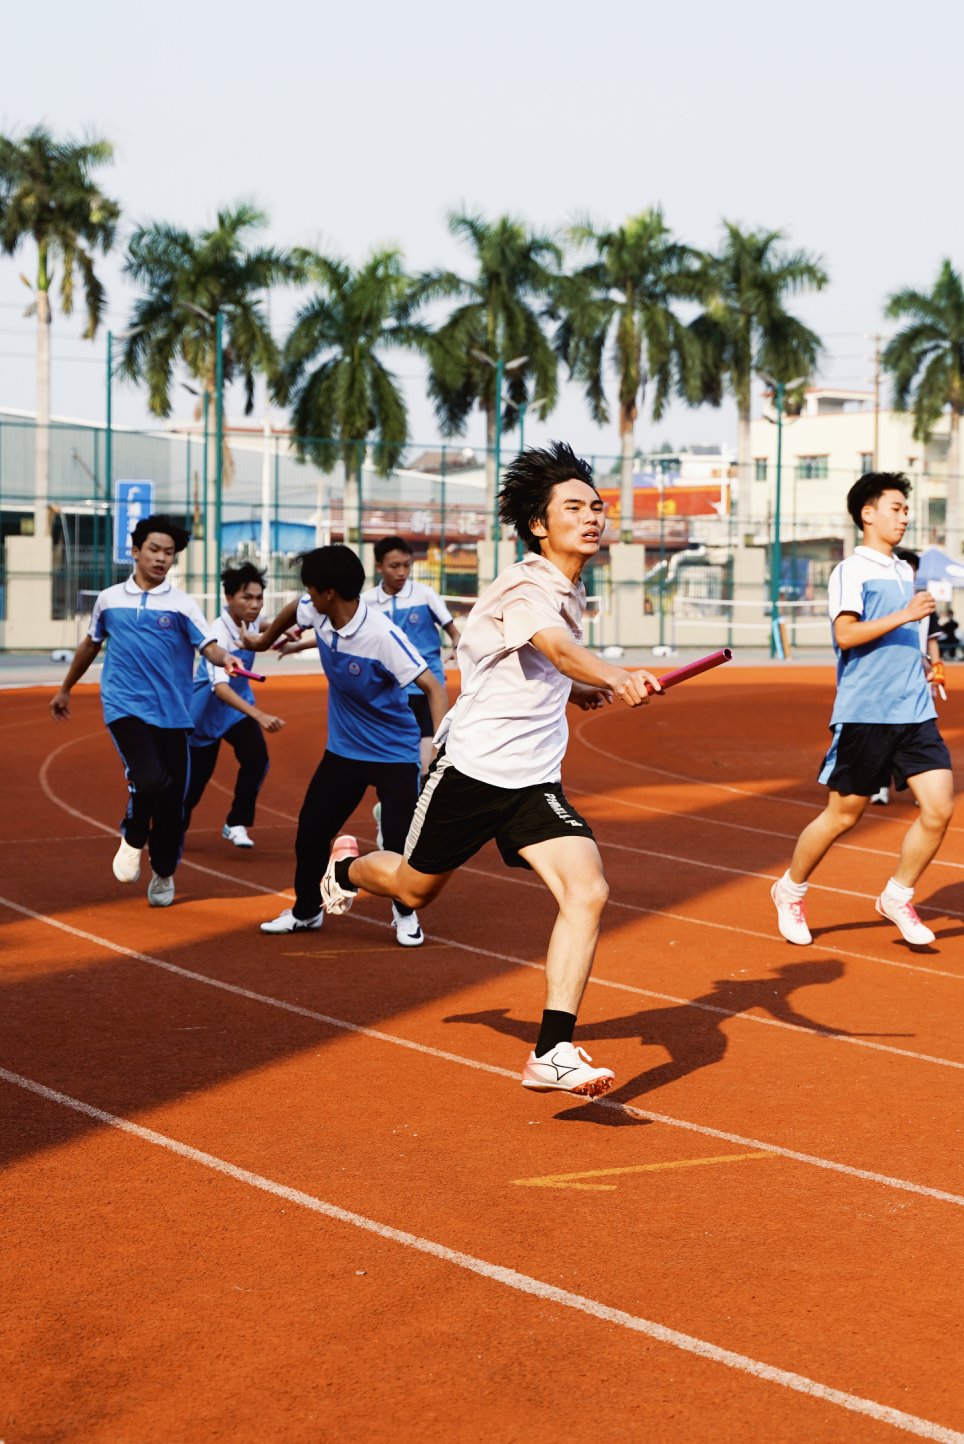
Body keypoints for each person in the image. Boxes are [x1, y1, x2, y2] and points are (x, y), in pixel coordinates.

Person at [307, 442, 660, 1099]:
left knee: (588, 891)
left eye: (597, 506)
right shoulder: (528, 585)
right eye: (574, 507)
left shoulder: (567, 587)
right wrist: (610, 673)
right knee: (414, 890)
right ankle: (346, 867)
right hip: (471, 774)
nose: (593, 516)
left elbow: (538, 663)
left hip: (532, 782)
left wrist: (578, 689)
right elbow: (553, 646)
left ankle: (552, 1050)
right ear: (538, 524)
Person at [770, 472, 951, 952]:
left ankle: (898, 895)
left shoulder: (904, 571)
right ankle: (790, 890)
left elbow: (912, 631)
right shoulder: (851, 570)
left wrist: (932, 659)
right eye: (896, 508)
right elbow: (846, 635)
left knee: (939, 809)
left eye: (906, 509)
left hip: (915, 709)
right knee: (842, 816)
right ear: (867, 514)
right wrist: (905, 615)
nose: (905, 517)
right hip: (867, 710)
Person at [247, 544, 448, 945]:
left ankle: (404, 913)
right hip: (343, 751)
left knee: (397, 841)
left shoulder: (382, 636)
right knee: (310, 832)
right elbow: (293, 609)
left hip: (393, 753)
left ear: (329, 593)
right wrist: (262, 640)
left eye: (310, 588)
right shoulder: (317, 611)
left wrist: (442, 748)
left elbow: (433, 687)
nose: (306, 595)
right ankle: (306, 912)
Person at [49, 515, 245, 907]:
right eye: (154, 550)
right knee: (149, 779)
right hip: (124, 705)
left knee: (173, 803)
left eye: (169, 553)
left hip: (173, 712)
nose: (161, 558)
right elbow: (91, 644)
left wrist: (226, 659)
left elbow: (208, 644)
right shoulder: (109, 600)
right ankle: (133, 835)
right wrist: (66, 688)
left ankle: (164, 871)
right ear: (135, 551)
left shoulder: (181, 605)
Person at [183, 562, 286, 849]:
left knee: (256, 758)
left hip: (236, 711)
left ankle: (236, 822)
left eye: (259, 598)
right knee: (194, 784)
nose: (254, 605)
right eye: (247, 598)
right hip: (205, 714)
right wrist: (260, 715)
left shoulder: (249, 618)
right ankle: (171, 831)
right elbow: (220, 689)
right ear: (229, 599)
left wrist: (280, 633)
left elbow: (263, 625)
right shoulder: (219, 631)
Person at [364, 535, 461, 773]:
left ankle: (420, 805)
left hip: (426, 686)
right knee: (395, 759)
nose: (402, 572)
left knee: (428, 761)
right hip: (390, 690)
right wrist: (298, 645)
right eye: (394, 566)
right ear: (379, 567)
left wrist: (458, 645)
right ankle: (400, 805)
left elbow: (454, 632)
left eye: (407, 565)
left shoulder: (425, 594)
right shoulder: (367, 603)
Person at [871, 545, 924, 806]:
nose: (909, 573)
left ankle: (920, 790)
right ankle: (878, 786)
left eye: (913, 569)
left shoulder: (921, 599)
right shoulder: (884, 598)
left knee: (914, 739)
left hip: (915, 684)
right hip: (884, 685)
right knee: (881, 739)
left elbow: (931, 637)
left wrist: (934, 663)